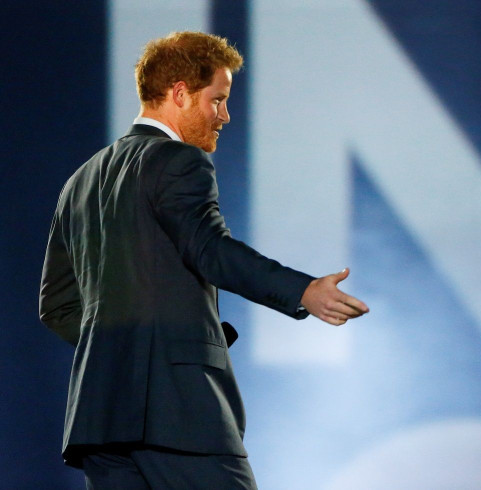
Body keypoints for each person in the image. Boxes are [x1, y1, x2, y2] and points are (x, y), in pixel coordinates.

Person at [39, 31, 369, 489]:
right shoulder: (177, 160)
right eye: (217, 100)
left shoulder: (79, 181)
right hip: (177, 414)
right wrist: (303, 291)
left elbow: (55, 305)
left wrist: (127, 352)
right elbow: (209, 248)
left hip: (99, 420)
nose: (225, 115)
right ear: (179, 93)